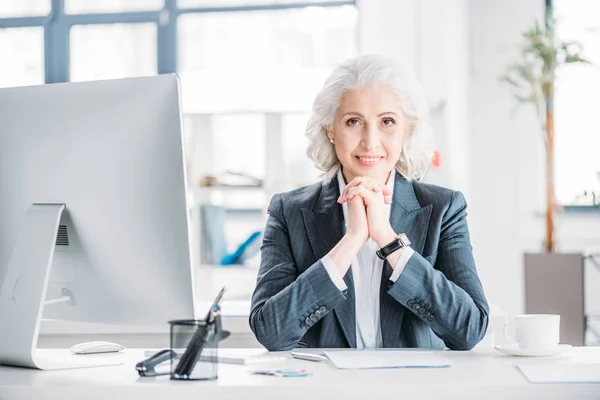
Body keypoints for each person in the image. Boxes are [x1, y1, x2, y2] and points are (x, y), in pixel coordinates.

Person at [249, 54, 489, 351]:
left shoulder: (444, 208)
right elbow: (270, 331)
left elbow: (469, 329)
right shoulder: (288, 212)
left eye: (387, 121)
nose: (370, 141)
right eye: (353, 121)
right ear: (330, 131)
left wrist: (388, 241)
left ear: (407, 131)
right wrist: (351, 241)